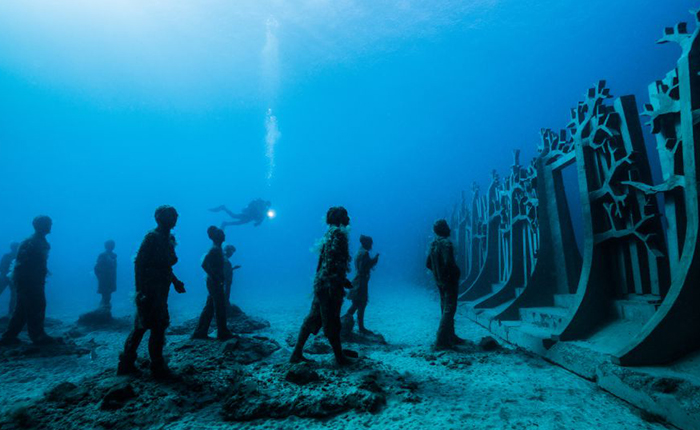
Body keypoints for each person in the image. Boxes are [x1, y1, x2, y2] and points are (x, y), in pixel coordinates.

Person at [117, 206, 186, 378]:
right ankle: (135, 364)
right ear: (160, 218)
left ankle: (154, 363)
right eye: (171, 215)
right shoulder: (152, 238)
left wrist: (176, 282)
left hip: (161, 291)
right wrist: (140, 291)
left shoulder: (168, 238)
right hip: (150, 291)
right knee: (143, 326)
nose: (175, 217)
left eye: (175, 215)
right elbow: (139, 264)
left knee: (158, 326)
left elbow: (166, 266)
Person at [290, 206, 355, 365]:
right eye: (346, 215)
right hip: (329, 286)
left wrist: (333, 280)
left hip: (322, 283)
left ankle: (296, 353)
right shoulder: (338, 234)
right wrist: (338, 281)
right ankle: (339, 358)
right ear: (340, 218)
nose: (349, 218)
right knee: (332, 320)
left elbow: (325, 262)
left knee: (313, 317)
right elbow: (333, 262)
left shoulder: (329, 233)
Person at [0, 216, 55, 345]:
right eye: (48, 224)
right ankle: (37, 335)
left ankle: (9, 336)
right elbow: (22, 265)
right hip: (29, 282)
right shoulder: (31, 242)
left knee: (22, 309)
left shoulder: (38, 241)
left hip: (33, 281)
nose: (50, 226)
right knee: (37, 305)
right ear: (40, 226)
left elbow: (37, 262)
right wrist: (26, 282)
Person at [426, 219, 464, 350]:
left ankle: (450, 336)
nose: (449, 228)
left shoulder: (433, 244)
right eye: (447, 226)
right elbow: (449, 263)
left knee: (444, 306)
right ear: (444, 229)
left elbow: (428, 264)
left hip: (439, 281)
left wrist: (438, 274)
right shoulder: (446, 244)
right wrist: (455, 273)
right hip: (449, 280)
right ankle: (441, 340)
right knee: (450, 308)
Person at [192, 227, 234, 340]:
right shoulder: (215, 249)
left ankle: (200, 331)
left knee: (210, 307)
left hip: (214, 282)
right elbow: (204, 264)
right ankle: (222, 332)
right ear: (217, 237)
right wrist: (216, 278)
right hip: (214, 283)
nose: (224, 236)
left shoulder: (218, 249)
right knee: (220, 307)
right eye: (222, 234)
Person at [343, 235, 379, 334]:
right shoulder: (365, 253)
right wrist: (374, 261)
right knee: (360, 304)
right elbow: (364, 268)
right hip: (361, 282)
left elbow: (361, 267)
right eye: (370, 243)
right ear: (366, 243)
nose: (371, 245)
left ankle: (349, 324)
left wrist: (372, 262)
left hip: (358, 281)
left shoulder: (359, 252)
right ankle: (357, 327)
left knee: (357, 304)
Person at [94, 240, 117, 310]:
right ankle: (102, 310)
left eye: (112, 245)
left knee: (108, 295)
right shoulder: (103, 256)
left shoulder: (114, 256)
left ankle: (104, 311)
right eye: (110, 245)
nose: (112, 246)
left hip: (111, 279)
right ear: (106, 246)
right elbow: (97, 268)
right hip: (104, 279)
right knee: (106, 296)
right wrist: (101, 277)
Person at [0, 242, 19, 316]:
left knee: (14, 296)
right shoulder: (19, 256)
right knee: (14, 296)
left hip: (5, 277)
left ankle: (11, 313)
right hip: (11, 278)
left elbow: (1, 267)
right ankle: (11, 314)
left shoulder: (7, 256)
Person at [223, 244, 241, 316]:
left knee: (226, 296)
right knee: (225, 296)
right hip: (225, 282)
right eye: (231, 252)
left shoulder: (224, 259)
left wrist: (233, 268)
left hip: (226, 282)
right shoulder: (225, 260)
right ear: (227, 251)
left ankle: (226, 311)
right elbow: (223, 272)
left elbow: (225, 271)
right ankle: (226, 312)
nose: (231, 254)